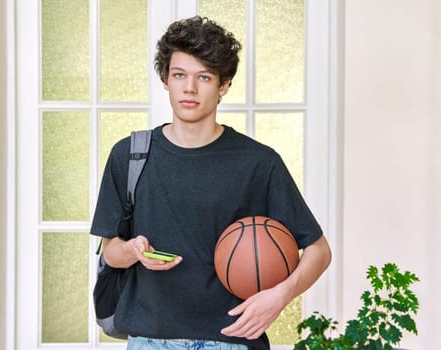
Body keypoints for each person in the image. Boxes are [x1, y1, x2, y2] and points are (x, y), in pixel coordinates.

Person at [90, 16, 332, 350]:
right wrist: (131, 251)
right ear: (165, 79)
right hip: (149, 341)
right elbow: (112, 252)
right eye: (179, 75)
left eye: (203, 77)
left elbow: (319, 251)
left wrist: (278, 297)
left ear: (223, 85)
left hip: (231, 340)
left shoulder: (258, 162)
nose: (189, 88)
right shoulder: (129, 156)